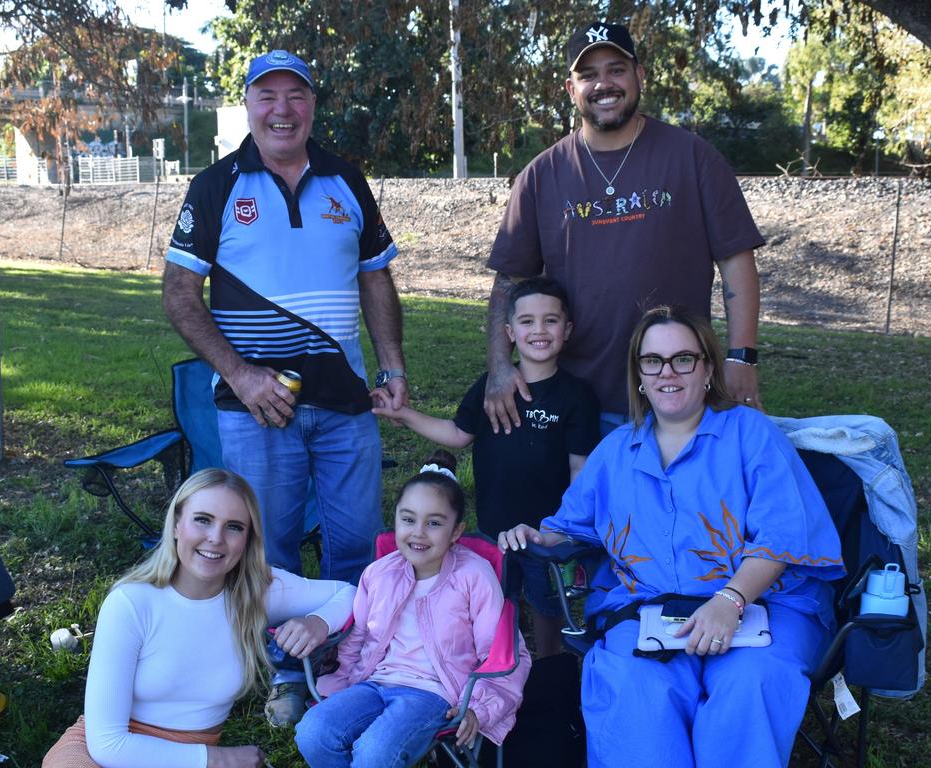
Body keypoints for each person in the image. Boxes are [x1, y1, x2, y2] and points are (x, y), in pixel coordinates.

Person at [161, 49, 406, 723]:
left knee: (357, 543)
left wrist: (393, 366)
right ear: (248, 104)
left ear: (312, 105)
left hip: (346, 402)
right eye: (266, 95)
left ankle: (353, 660)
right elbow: (179, 292)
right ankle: (285, 671)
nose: (281, 109)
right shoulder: (216, 185)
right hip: (257, 407)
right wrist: (239, 375)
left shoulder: (346, 180)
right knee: (269, 550)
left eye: (294, 95)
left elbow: (376, 278)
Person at [498, 306, 844, 767]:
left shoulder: (750, 434)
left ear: (707, 369)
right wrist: (537, 537)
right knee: (637, 692)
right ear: (638, 374)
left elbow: (782, 534)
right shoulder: (617, 450)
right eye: (652, 361)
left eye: (683, 359)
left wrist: (730, 600)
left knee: (749, 686)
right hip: (650, 611)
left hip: (762, 607)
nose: (668, 373)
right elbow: (567, 529)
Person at [485, 22, 766, 438]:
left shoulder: (692, 156)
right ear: (571, 89)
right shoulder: (541, 176)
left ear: (640, 75)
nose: (604, 84)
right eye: (589, 75)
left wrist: (741, 358)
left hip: (679, 390)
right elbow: (511, 280)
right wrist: (498, 365)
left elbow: (736, 259)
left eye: (616, 69)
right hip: (576, 400)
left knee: (684, 504)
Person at [42, 468, 355, 768]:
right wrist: (218, 760)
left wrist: (318, 623)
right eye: (203, 520)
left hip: (189, 755)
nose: (216, 538)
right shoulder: (131, 602)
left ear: (247, 538)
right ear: (177, 524)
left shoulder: (255, 592)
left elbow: (350, 593)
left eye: (234, 526)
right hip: (101, 753)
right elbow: (108, 744)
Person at [372, 277, 599, 656]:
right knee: (493, 602)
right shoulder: (490, 386)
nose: (538, 330)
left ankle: (546, 668)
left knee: (547, 604)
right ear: (509, 331)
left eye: (550, 321)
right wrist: (406, 415)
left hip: (545, 533)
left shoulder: (576, 395)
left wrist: (561, 530)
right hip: (494, 528)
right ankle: (500, 664)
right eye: (527, 322)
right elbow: (459, 433)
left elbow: (581, 471)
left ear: (567, 329)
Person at [295, 452, 532, 767]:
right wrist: (344, 682)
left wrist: (479, 707)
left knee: (374, 752)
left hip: (435, 693)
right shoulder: (379, 573)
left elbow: (501, 651)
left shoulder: (474, 575)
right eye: (408, 519)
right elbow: (358, 634)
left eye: (434, 523)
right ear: (395, 520)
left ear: (457, 532)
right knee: (313, 731)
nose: (418, 532)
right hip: (373, 682)